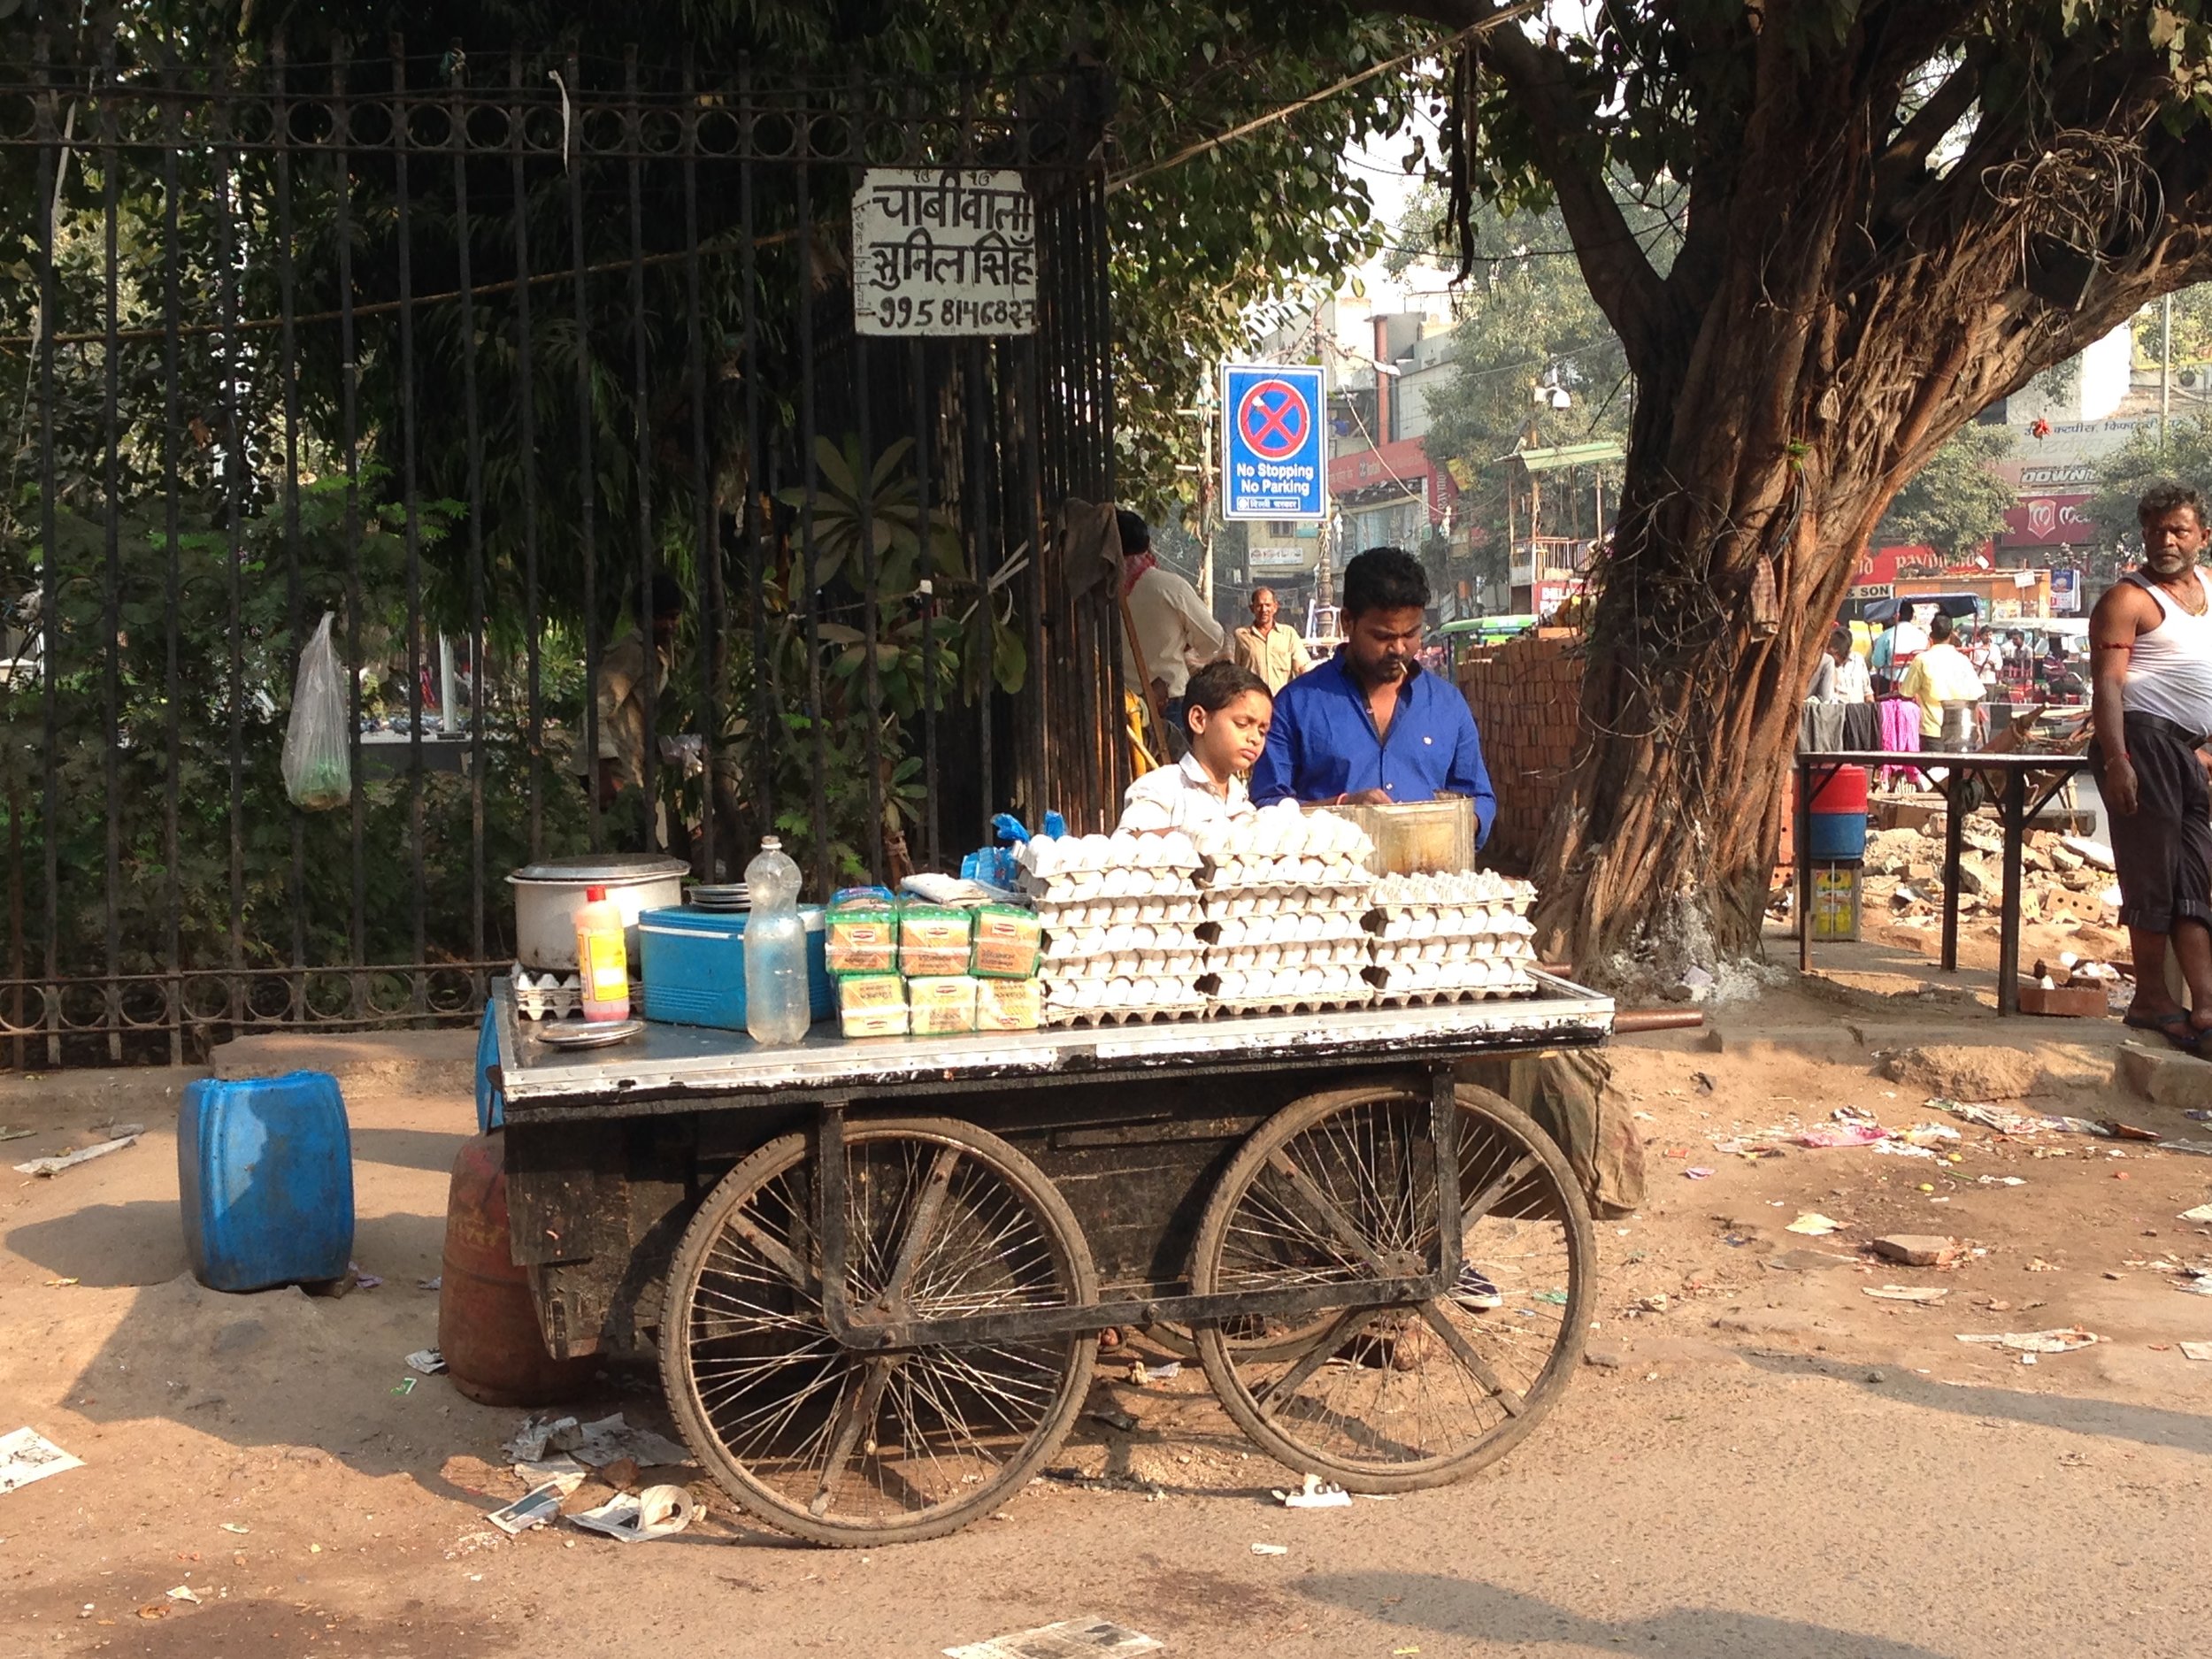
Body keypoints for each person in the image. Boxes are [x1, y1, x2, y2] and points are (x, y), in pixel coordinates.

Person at [1249, 545, 1497, 843]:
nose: (1399, 649)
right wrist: (1342, 808)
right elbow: (1265, 807)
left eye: (1411, 634)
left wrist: (1452, 825)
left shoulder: (1448, 705)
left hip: (1427, 878)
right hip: (1330, 884)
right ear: (1347, 622)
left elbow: (1479, 798)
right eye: (1383, 636)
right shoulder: (1296, 705)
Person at [2088, 481, 2212, 1048]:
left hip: (2190, 752)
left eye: (2178, 529)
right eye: (2156, 530)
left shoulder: (2209, 590)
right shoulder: (2128, 599)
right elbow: (2109, 688)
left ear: (2202, 537)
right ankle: (2150, 1000)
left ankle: (2205, 1007)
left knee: (2193, 878)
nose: (2166, 540)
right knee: (2152, 875)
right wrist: (2117, 760)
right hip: (2143, 744)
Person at [572, 570, 684, 816]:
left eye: (674, 617)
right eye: (661, 617)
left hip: (627, 764)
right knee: (633, 842)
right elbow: (595, 711)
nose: (669, 625)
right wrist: (604, 775)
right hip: (612, 769)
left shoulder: (657, 653)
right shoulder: (631, 652)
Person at [1118, 661, 1271, 835]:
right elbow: (1126, 844)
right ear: (1199, 720)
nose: (1255, 738)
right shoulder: (1162, 788)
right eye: (1242, 724)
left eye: (1262, 731)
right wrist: (1199, 834)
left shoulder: (1243, 805)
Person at [1118, 509, 1226, 753]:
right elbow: (1213, 638)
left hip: (1118, 704)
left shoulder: (1095, 591)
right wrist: (1185, 643)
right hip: (1167, 705)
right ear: (1148, 545)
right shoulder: (1168, 586)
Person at [1897, 612, 1983, 752]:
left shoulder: (1921, 660)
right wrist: (1977, 728)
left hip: (1932, 732)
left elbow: (1906, 694)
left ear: (1931, 635)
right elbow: (1975, 698)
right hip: (1962, 733)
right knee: (1961, 774)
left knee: (1934, 774)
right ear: (1951, 635)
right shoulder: (1963, 661)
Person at [1232, 586, 1312, 694]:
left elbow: (1303, 668)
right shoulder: (1241, 636)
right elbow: (1233, 673)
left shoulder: (1288, 634)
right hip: (1253, 703)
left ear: (1275, 607)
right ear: (1252, 608)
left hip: (1281, 702)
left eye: (1268, 605)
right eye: (1259, 606)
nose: (1264, 610)